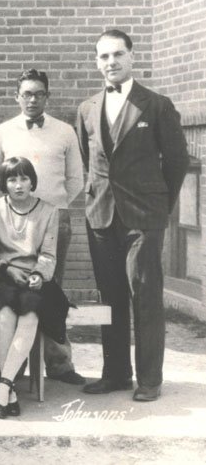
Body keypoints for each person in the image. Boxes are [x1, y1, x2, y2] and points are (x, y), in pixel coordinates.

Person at [77, 29, 188, 402]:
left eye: (118, 54)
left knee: (145, 295)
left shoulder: (156, 105)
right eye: (104, 56)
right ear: (97, 62)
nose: (112, 62)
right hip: (102, 215)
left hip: (144, 217)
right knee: (109, 298)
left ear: (132, 57)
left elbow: (176, 163)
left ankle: (150, 379)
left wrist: (160, 207)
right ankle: (116, 373)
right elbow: (88, 159)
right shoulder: (87, 108)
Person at [0, 69, 86, 386]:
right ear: (17, 96)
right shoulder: (2, 132)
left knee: (49, 288)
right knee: (14, 292)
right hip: (13, 222)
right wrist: (13, 211)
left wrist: (51, 209)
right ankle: (12, 365)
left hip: (54, 219)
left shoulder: (64, 132)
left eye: (39, 93)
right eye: (27, 93)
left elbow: (75, 181)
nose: (32, 99)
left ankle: (59, 363)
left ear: (47, 96)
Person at [0, 157, 72, 418]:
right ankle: (8, 385)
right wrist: (5, 268)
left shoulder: (49, 211)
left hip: (35, 277)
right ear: (4, 183)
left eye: (24, 178)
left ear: (32, 181)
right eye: (12, 179)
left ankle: (4, 385)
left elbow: (48, 254)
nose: (19, 185)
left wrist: (38, 274)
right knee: (6, 309)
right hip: (2, 275)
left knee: (31, 309)